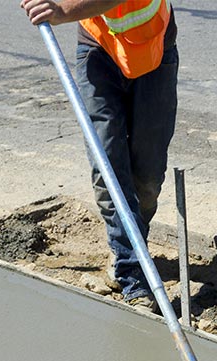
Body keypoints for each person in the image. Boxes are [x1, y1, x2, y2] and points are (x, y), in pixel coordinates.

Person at [20, 0, 178, 312]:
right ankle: (133, 275)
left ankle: (129, 246)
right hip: (98, 50)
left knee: (147, 178)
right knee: (108, 167)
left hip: (154, 50)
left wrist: (64, 11)